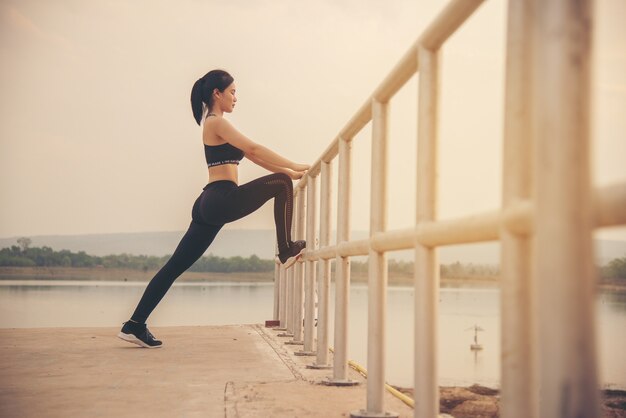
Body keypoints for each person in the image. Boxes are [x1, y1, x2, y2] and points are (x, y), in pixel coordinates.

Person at [118, 69, 310, 348]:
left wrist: (288, 172)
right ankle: (285, 250)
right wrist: (291, 167)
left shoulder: (216, 125)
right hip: (221, 198)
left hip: (211, 201)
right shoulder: (216, 122)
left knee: (174, 267)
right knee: (280, 183)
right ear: (216, 94)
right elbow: (255, 148)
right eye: (232, 91)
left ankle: (134, 324)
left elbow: (253, 158)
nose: (236, 97)